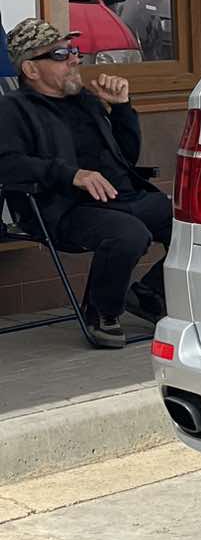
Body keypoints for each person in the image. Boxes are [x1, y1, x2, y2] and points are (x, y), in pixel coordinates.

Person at [0, 18, 169, 348]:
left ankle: (148, 294)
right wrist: (71, 174)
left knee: (197, 225)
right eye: (60, 54)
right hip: (63, 208)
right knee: (128, 233)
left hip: (122, 197)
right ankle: (100, 313)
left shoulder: (86, 101)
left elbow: (126, 156)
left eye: (74, 51)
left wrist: (122, 109)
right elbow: (7, 164)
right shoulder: (13, 109)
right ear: (31, 69)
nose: (74, 59)